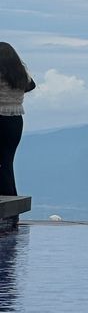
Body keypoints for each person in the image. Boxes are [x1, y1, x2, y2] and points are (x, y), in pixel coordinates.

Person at [0, 43, 36, 198]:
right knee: (7, 162)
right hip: (15, 120)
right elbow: (31, 85)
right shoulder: (20, 75)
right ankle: (10, 199)